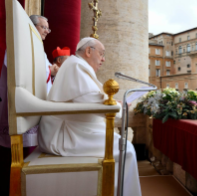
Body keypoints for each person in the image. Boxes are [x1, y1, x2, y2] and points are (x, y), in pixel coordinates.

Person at [38, 37, 142, 196]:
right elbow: (91, 102)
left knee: (124, 147)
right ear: (88, 51)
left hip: (74, 128)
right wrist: (118, 107)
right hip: (64, 135)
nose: (103, 59)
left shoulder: (77, 65)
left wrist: (115, 102)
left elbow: (91, 97)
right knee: (126, 150)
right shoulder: (76, 66)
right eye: (101, 54)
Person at [0, 14, 58, 196]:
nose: (47, 32)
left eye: (48, 28)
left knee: (30, 154)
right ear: (32, 27)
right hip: (19, 106)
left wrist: (52, 70)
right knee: (14, 156)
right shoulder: (19, 44)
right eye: (44, 27)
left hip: (34, 108)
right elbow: (22, 71)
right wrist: (51, 70)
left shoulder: (37, 48)